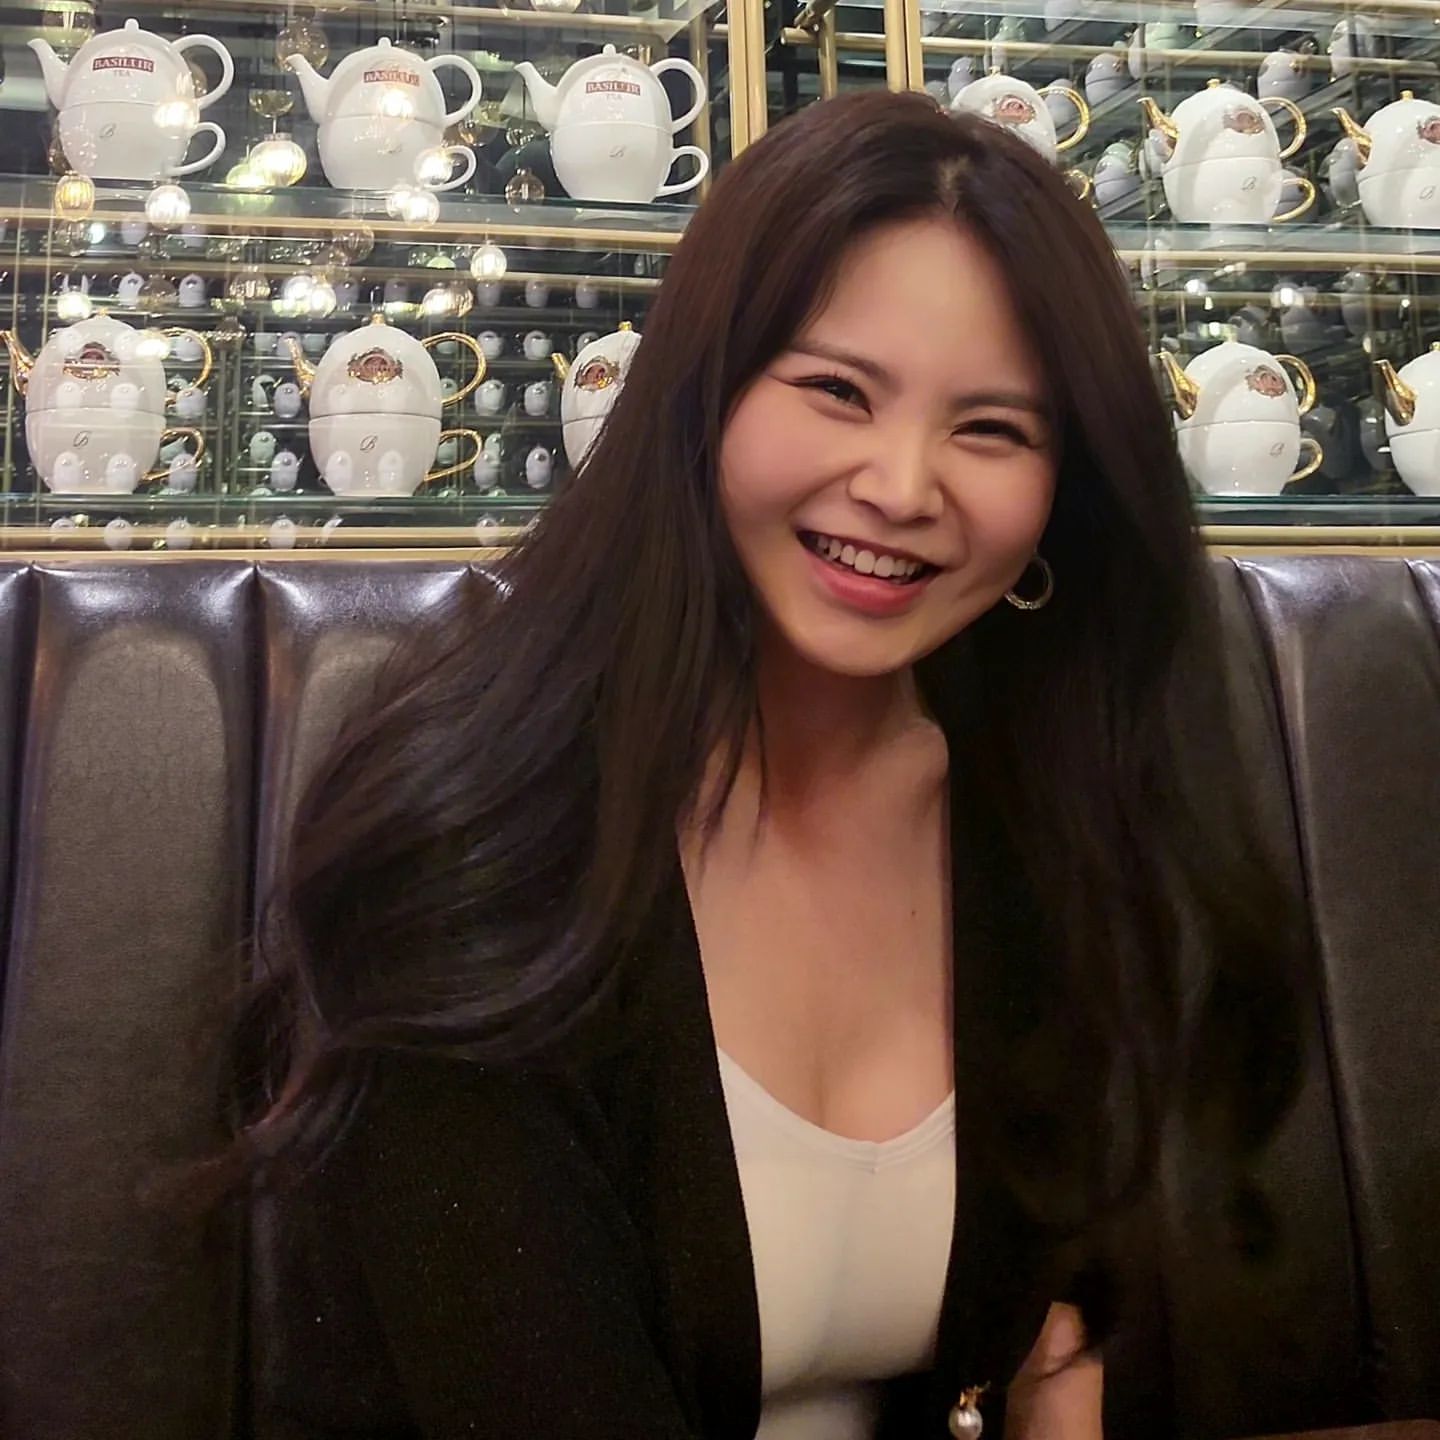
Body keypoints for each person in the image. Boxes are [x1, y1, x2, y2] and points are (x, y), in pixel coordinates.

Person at [173, 90, 1305, 1439]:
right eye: (836, 390)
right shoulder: (475, 842)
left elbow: (1078, 1337)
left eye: (993, 429)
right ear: (700, 400)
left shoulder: (1054, 815)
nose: (902, 486)